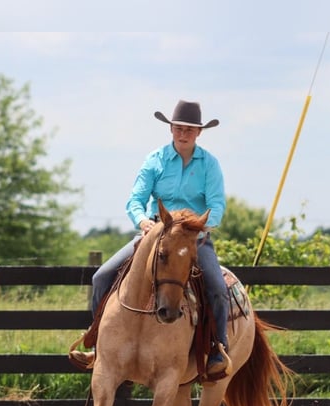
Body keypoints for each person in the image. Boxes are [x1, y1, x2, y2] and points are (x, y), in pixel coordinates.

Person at [78, 99, 230, 380]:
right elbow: (136, 199)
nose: (183, 133)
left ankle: (219, 348)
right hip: (154, 235)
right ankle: (97, 343)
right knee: (101, 277)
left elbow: (217, 205)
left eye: (189, 129)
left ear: (199, 133)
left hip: (192, 240)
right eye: (178, 128)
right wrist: (142, 220)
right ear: (171, 129)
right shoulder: (155, 160)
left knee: (218, 289)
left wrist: (199, 225)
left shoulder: (210, 164)